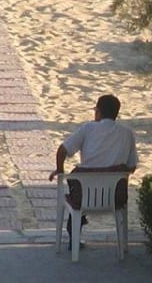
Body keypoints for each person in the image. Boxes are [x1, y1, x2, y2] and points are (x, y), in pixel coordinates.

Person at [48, 94, 138, 246]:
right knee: (88, 186)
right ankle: (122, 247)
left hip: (84, 196)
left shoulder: (88, 128)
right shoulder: (127, 133)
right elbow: (132, 167)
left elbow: (62, 151)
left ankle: (74, 239)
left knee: (76, 191)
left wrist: (60, 170)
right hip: (115, 197)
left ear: (99, 112)